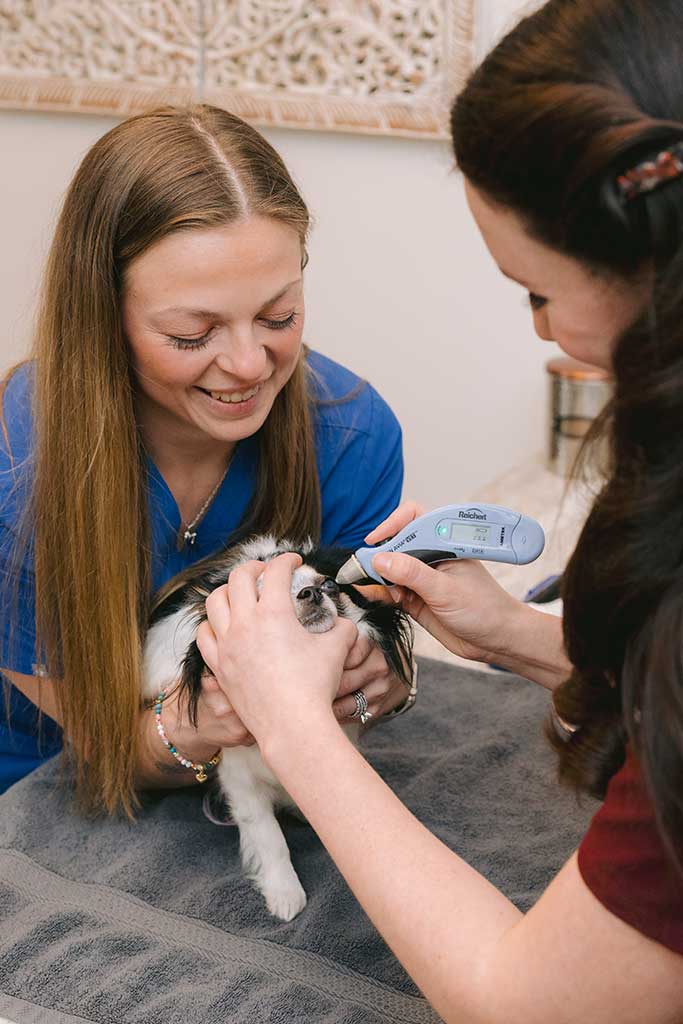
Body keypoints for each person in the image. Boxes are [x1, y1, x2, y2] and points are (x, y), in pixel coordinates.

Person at [194, 1, 683, 1020]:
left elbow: (529, 1006)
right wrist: (516, 637)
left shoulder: (349, 427)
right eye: (193, 329)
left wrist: (291, 724)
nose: (546, 336)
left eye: (535, 294)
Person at [0, 104, 411, 811]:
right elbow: (102, 752)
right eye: (193, 334)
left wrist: (377, 679)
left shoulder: (353, 437)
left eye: (279, 316)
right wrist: (200, 724)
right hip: (42, 797)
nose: (250, 365)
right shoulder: (17, 465)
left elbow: (364, 675)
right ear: (105, 316)